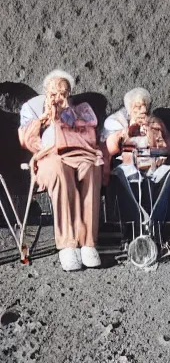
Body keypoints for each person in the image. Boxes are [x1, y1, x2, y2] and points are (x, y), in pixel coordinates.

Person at [18, 69, 103, 271]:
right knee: (60, 168)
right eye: (54, 93)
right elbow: (27, 141)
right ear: (46, 92)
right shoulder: (32, 108)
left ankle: (88, 242)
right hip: (49, 158)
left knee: (92, 167)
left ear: (69, 94)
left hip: (79, 155)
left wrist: (67, 115)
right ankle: (67, 244)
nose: (58, 98)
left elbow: (90, 136)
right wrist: (46, 119)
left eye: (63, 93)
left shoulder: (80, 109)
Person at [101, 88, 170, 226]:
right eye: (138, 106)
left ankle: (155, 223)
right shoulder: (116, 121)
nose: (143, 110)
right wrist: (126, 132)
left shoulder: (154, 121)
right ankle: (137, 223)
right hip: (127, 164)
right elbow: (108, 148)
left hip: (154, 164)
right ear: (129, 108)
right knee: (127, 174)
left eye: (145, 106)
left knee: (168, 171)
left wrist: (154, 132)